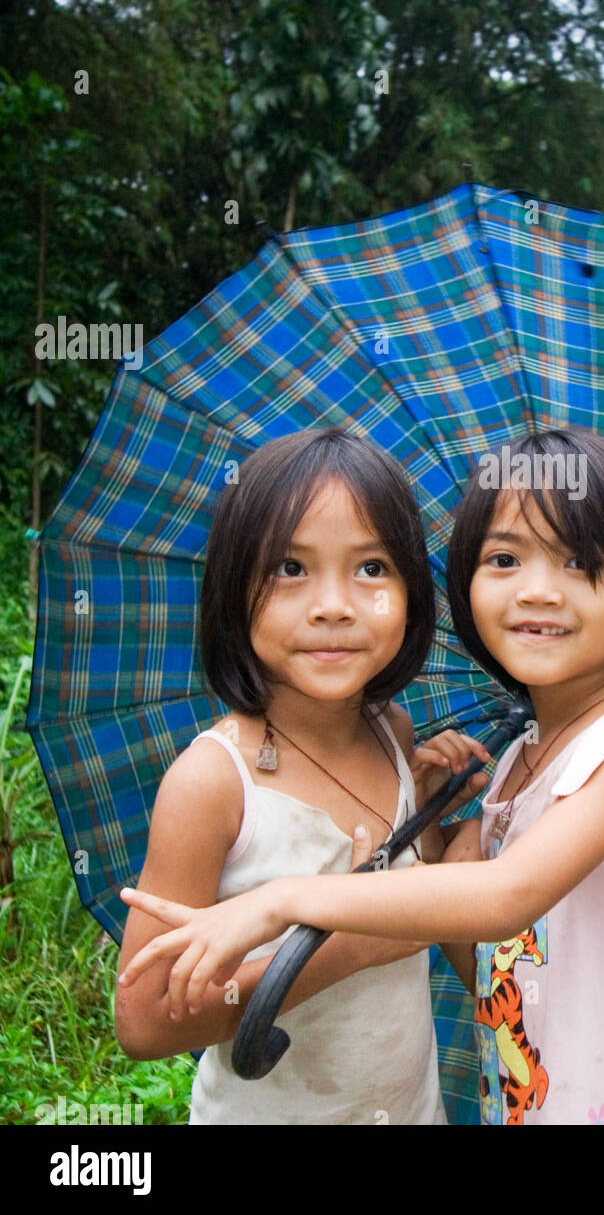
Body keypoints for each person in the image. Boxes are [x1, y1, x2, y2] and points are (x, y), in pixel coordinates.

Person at [119, 428, 604, 1126]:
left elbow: (504, 898)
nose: (538, 592)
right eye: (505, 558)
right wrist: (434, 832)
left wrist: (289, 904)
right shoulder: (512, 765)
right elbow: (490, 962)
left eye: (580, 561)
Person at [114, 425, 487, 1125]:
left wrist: (431, 814)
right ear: (234, 588)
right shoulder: (215, 784)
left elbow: (404, 876)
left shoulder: (392, 732)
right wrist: (355, 945)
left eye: (372, 568)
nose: (334, 605)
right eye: (290, 568)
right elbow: (144, 1020)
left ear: (411, 591)